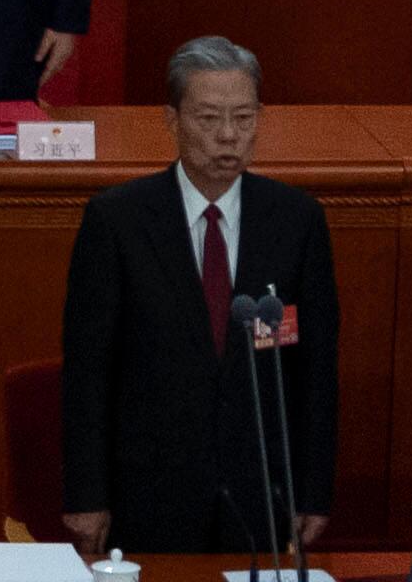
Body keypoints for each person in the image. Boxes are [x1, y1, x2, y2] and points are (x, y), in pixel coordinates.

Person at [58, 36, 333, 560]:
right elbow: (88, 371)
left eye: (244, 119)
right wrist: (86, 496)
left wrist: (313, 491)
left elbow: (313, 372)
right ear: (171, 119)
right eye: (209, 120)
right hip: (147, 494)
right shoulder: (117, 221)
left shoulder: (296, 221)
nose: (228, 137)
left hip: (259, 497)